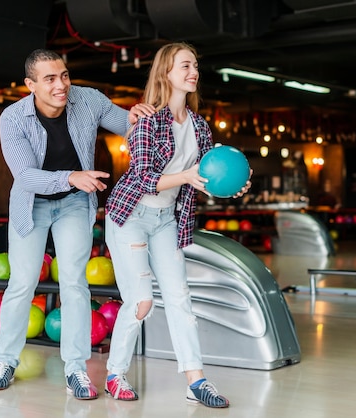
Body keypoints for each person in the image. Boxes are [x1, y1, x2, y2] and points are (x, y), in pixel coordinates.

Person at [0, 49, 155, 400]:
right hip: (31, 205)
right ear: (30, 85)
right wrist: (71, 176)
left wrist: (138, 117)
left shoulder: (88, 99)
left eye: (63, 75)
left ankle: (75, 369)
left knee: (75, 284)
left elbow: (128, 125)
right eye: (49, 79)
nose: (61, 85)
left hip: (76, 204)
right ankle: (4, 361)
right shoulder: (13, 118)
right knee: (22, 282)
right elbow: (26, 176)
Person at [103, 42, 250, 408]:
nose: (193, 72)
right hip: (130, 217)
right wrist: (186, 174)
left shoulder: (201, 127)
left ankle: (195, 381)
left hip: (165, 219)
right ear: (166, 73)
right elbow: (140, 178)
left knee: (180, 299)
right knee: (141, 302)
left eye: (195, 65)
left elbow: (205, 178)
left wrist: (233, 187)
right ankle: (114, 374)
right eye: (185, 66)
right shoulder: (146, 121)